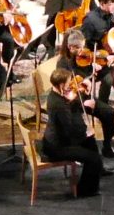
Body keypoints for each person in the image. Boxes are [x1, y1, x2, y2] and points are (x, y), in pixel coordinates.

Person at [41, 69, 105, 198]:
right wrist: (85, 132)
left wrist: (84, 103)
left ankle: (93, 177)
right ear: (60, 85)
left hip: (56, 140)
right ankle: (84, 190)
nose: (71, 85)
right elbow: (69, 130)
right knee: (93, 157)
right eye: (68, 83)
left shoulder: (56, 95)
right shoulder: (58, 105)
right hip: (57, 147)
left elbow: (70, 106)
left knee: (91, 144)